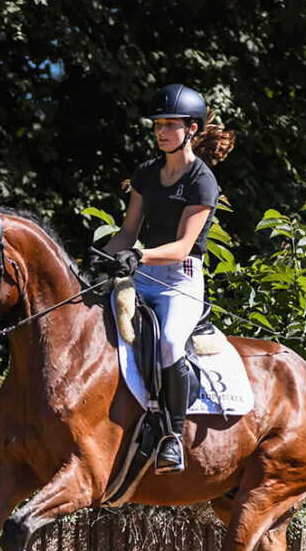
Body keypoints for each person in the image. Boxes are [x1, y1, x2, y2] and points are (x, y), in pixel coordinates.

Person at [87, 84, 235, 474]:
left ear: (192, 129)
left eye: (171, 124)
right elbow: (128, 230)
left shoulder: (202, 181)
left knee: (169, 342)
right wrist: (100, 257)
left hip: (179, 281)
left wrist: (138, 255)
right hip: (142, 270)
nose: (162, 131)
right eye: (158, 124)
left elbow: (185, 245)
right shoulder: (146, 173)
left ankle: (172, 436)